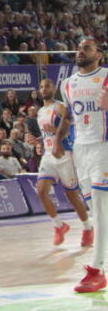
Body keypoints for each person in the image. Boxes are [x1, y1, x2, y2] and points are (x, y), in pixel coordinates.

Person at [61, 38, 108, 292]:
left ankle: (98, 270)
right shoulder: (67, 84)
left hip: (104, 147)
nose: (80, 51)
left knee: (100, 211)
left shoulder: (107, 77)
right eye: (79, 47)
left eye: (87, 48)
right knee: (98, 212)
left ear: (99, 54)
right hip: (81, 149)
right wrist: (58, 141)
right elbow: (69, 116)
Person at [35, 78, 92, 247]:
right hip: (48, 155)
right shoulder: (39, 112)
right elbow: (47, 134)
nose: (44, 89)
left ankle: (88, 228)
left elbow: (73, 127)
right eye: (42, 86)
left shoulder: (59, 107)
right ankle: (59, 226)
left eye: (48, 86)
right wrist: (37, 140)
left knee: (72, 195)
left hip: (65, 154)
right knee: (41, 191)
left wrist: (57, 132)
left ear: (54, 89)